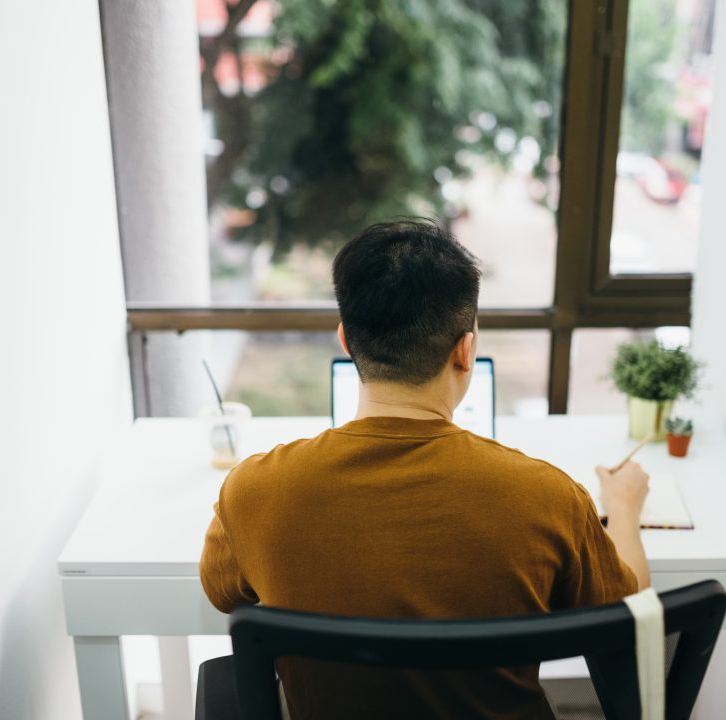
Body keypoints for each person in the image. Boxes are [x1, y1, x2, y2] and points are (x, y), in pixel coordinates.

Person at [200, 220, 650, 720]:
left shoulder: (255, 490)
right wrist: (624, 507)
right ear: (465, 350)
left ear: (346, 340)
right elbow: (629, 619)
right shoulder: (548, 496)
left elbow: (222, 591)